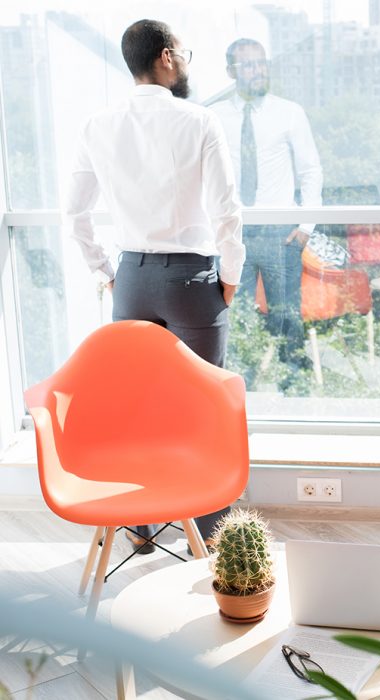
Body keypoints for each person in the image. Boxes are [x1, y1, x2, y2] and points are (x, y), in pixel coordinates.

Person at [65, 19, 245, 553]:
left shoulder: (98, 124)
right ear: (167, 57)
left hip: (133, 280)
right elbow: (227, 214)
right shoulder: (199, 120)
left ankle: (139, 526)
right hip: (191, 278)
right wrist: (229, 279)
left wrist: (108, 272)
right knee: (206, 405)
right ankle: (211, 537)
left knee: (139, 404)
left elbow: (73, 214)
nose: (186, 62)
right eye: (184, 53)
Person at [210, 38, 323, 375]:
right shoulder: (213, 117)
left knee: (287, 315)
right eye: (248, 64)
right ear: (231, 70)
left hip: (280, 235)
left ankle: (294, 384)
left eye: (262, 63)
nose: (258, 70)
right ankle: (240, 387)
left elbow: (310, 171)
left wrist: (306, 227)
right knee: (235, 315)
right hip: (234, 233)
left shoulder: (289, 112)